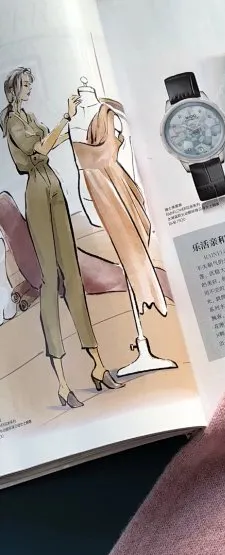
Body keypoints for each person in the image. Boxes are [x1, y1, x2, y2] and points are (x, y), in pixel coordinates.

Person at [0, 67, 123, 408]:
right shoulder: (12, 121)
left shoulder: (28, 116)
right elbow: (40, 148)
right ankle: (62, 382)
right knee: (50, 281)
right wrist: (64, 119)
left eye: (30, 83)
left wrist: (71, 126)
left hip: (53, 185)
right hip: (38, 191)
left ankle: (97, 364)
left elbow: (50, 143)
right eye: (25, 84)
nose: (29, 88)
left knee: (73, 275)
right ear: (13, 88)